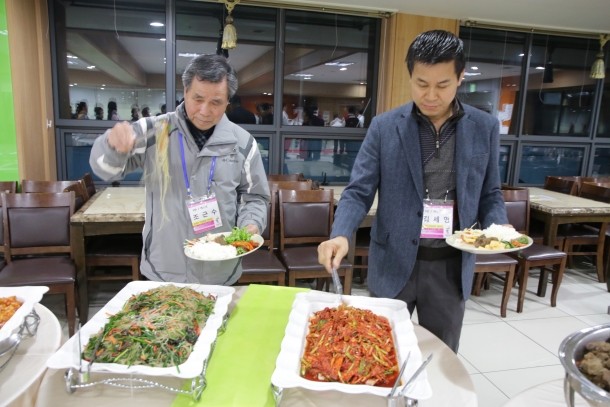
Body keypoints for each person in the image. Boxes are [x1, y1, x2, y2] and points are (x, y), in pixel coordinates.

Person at [317, 30, 508, 353]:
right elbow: (358, 191)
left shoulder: (484, 127)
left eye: (442, 85)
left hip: (451, 266)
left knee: (441, 355)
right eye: (421, 83)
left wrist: (499, 228)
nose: (431, 95)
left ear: (460, 77)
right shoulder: (385, 126)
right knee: (382, 352)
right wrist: (341, 234)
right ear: (410, 77)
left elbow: (490, 192)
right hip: (392, 262)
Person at [90, 54, 270, 285]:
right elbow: (106, 170)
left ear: (228, 100)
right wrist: (113, 146)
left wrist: (251, 222)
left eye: (216, 102)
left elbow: (255, 197)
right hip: (164, 268)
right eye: (198, 99)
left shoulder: (242, 143)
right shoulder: (154, 131)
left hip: (220, 268)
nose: (205, 111)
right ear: (185, 91)